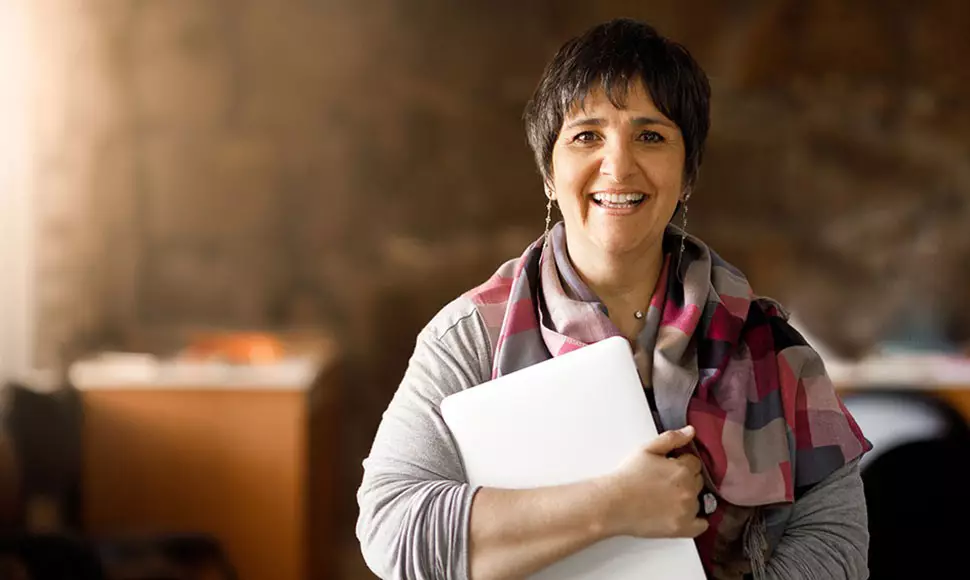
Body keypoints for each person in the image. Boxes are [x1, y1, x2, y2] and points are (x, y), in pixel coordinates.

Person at [356, 18, 871, 580]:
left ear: (688, 172)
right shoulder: (470, 337)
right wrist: (617, 506)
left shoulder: (772, 346)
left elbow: (837, 544)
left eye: (651, 136)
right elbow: (393, 533)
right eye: (587, 135)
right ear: (550, 173)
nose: (619, 166)